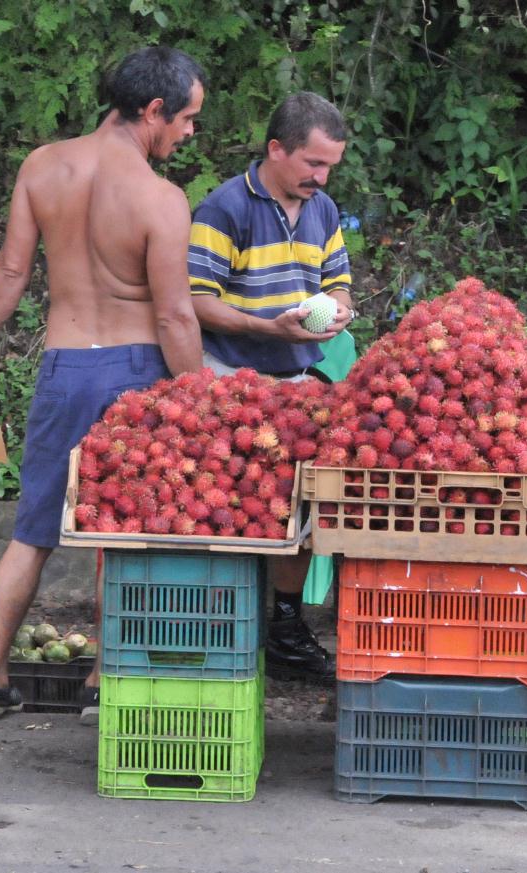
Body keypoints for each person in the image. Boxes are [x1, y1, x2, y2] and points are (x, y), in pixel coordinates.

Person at [0, 46, 206, 723]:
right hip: (135, 374)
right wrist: (201, 396)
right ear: (153, 110)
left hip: (64, 367)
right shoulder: (160, 198)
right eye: (186, 119)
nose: (189, 134)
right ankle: (100, 681)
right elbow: (176, 313)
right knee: (121, 531)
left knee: (33, 527)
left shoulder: (44, 165)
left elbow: (10, 272)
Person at [187, 91, 354, 683]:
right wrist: (266, 326)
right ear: (276, 149)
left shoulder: (324, 210)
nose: (321, 175)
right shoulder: (223, 209)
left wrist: (337, 311)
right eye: (312, 162)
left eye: (330, 165)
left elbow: (339, 283)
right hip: (231, 380)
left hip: (300, 381)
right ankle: (223, 625)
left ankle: (285, 624)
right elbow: (196, 302)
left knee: (304, 502)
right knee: (233, 503)